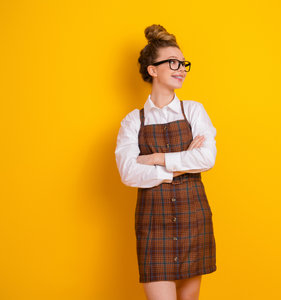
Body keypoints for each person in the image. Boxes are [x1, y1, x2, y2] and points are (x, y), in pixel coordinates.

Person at [114, 24, 217, 300]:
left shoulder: (194, 110)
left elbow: (207, 158)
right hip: (153, 223)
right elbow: (128, 173)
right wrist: (183, 163)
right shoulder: (132, 121)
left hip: (193, 218)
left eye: (183, 63)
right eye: (173, 62)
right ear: (153, 70)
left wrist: (156, 159)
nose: (181, 68)